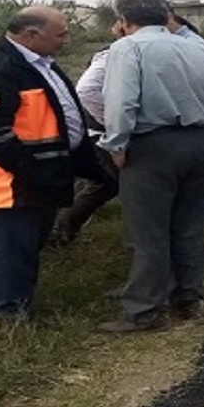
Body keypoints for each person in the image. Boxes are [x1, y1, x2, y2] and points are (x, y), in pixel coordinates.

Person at [96, 0, 204, 332]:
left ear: (124, 21)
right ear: (166, 16)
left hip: (152, 146)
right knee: (188, 225)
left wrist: (116, 145)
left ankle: (144, 309)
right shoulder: (199, 47)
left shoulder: (127, 48)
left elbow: (121, 103)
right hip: (201, 143)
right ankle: (188, 297)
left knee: (147, 231)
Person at [0, 5, 95, 320]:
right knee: (13, 250)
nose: (66, 40)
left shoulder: (39, 64)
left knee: (28, 248)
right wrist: (37, 172)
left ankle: (19, 306)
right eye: (61, 34)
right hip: (13, 182)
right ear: (31, 35)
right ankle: (3, 313)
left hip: (40, 175)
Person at [50, 20, 125, 246]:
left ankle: (59, 231)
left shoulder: (123, 53)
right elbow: (86, 90)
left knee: (101, 182)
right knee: (105, 183)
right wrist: (111, 123)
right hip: (102, 132)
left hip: (101, 130)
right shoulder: (111, 55)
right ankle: (58, 235)